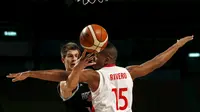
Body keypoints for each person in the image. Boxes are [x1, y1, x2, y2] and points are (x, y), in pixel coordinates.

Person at [7, 35, 193, 112]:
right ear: (63, 60)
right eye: (70, 57)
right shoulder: (128, 72)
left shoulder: (95, 76)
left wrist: (31, 73)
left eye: (77, 56)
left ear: (106, 58)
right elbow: (154, 63)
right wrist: (176, 46)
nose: (92, 57)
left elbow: (65, 74)